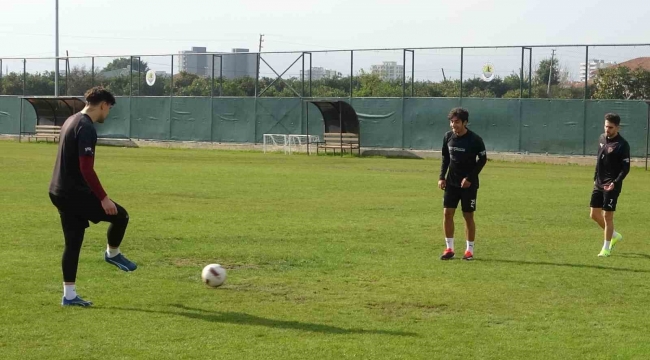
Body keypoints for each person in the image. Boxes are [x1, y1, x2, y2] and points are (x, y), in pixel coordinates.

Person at [49, 87, 137, 307]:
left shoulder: (71, 120)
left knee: (73, 243)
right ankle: (113, 254)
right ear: (103, 105)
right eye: (109, 110)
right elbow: (86, 169)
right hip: (74, 193)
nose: (107, 114)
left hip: (58, 191)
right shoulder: (86, 127)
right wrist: (103, 198)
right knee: (120, 216)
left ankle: (69, 296)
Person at [438, 107, 487, 261]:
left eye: (457, 122)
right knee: (447, 213)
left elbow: (483, 159)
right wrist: (441, 177)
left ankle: (469, 251)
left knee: (468, 216)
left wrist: (470, 178)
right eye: (451, 122)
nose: (454, 125)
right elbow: (446, 158)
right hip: (451, 183)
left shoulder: (475, 139)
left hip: (468, 185)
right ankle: (449, 249)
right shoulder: (447, 137)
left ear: (465, 122)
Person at [590, 113, 630, 257]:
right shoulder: (601, 138)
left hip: (612, 185)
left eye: (611, 127)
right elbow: (599, 160)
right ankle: (614, 235)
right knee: (594, 214)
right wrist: (595, 178)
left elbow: (626, 168)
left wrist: (615, 183)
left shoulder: (622, 145)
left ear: (617, 128)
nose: (607, 129)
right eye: (606, 126)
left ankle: (606, 248)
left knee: (607, 216)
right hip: (599, 183)